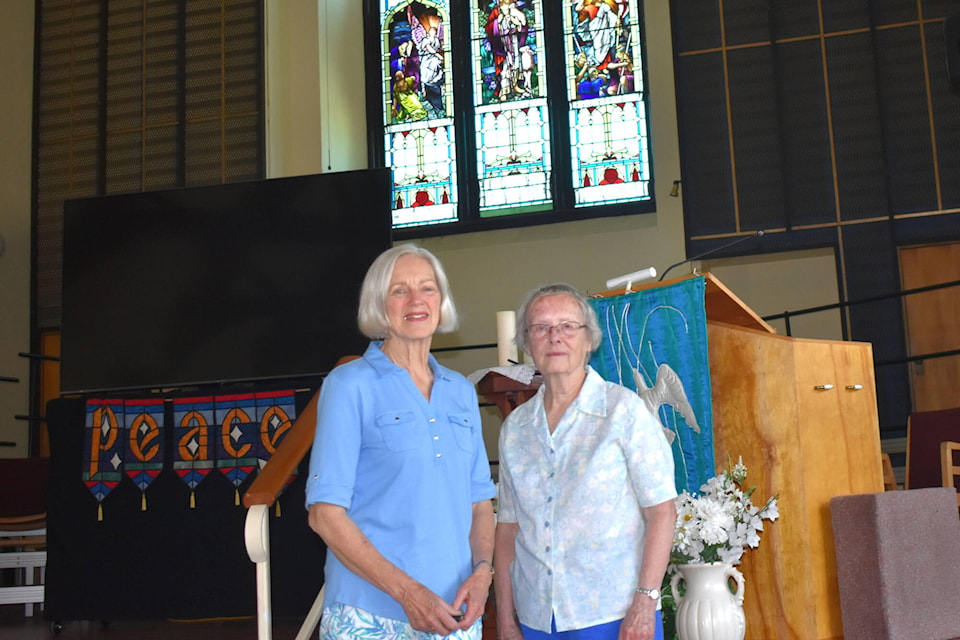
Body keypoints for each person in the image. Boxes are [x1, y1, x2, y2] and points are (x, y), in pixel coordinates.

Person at [306, 244, 497, 640]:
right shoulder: (348, 385)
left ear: (441, 302)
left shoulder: (461, 391)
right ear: (379, 304)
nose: (416, 300)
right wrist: (408, 593)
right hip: (369, 614)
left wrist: (483, 573)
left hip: (455, 615)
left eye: (427, 288)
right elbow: (325, 515)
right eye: (399, 290)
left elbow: (480, 503)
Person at [494, 283, 678, 640]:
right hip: (537, 618)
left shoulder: (624, 411)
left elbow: (662, 511)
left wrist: (645, 601)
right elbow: (508, 530)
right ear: (527, 344)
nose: (554, 337)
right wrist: (505, 619)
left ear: (590, 339)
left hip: (616, 615)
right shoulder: (515, 428)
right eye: (541, 328)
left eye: (567, 326)